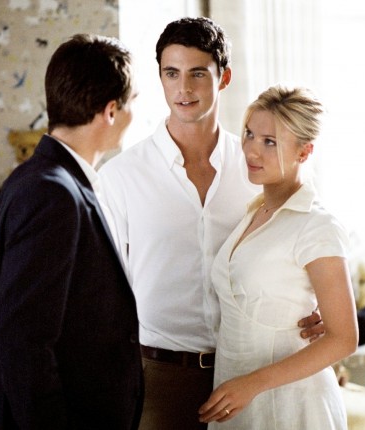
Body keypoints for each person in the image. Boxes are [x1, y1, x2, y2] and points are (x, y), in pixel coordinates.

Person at [98, 17, 323, 430]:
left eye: (198, 73)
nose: (183, 88)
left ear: (224, 78)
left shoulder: (257, 165)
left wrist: (317, 305)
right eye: (172, 73)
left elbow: (305, 234)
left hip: (249, 371)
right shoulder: (121, 177)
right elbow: (101, 291)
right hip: (160, 376)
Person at [0, 34, 143, 429]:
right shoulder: (52, 192)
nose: (135, 114)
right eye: (134, 101)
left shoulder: (41, 178)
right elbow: (21, 340)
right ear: (111, 111)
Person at [198, 85, 358, 429]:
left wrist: (251, 384)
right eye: (249, 134)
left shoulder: (317, 225)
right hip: (235, 403)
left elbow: (344, 338)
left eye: (269, 141)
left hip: (294, 407)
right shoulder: (253, 214)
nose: (252, 150)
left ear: (304, 152)